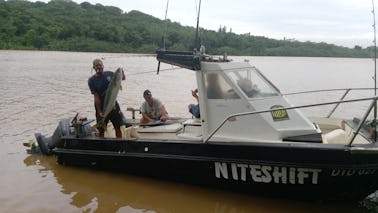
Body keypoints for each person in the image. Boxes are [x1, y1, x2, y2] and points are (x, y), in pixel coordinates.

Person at [88, 59, 125, 138]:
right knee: (101, 130)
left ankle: (119, 146)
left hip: (114, 105)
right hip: (101, 108)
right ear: (93, 67)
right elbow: (96, 97)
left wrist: (122, 73)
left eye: (100, 65)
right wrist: (100, 111)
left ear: (103, 65)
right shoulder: (92, 80)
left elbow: (122, 79)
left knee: (118, 128)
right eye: (97, 65)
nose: (99, 66)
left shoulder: (110, 74)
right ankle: (102, 146)